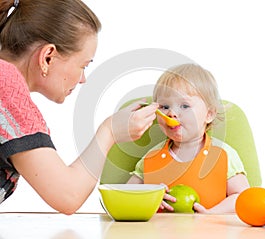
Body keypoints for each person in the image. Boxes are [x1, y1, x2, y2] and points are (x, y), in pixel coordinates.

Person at [0, 0, 158, 214]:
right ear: (48, 56)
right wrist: (109, 131)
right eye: (83, 65)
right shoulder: (5, 83)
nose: (83, 79)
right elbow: (68, 195)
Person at [127, 63, 250, 214]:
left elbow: (242, 197)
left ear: (209, 114)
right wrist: (149, 197)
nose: (171, 113)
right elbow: (127, 194)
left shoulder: (223, 155)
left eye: (184, 106)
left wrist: (211, 214)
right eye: (165, 107)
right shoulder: (151, 157)